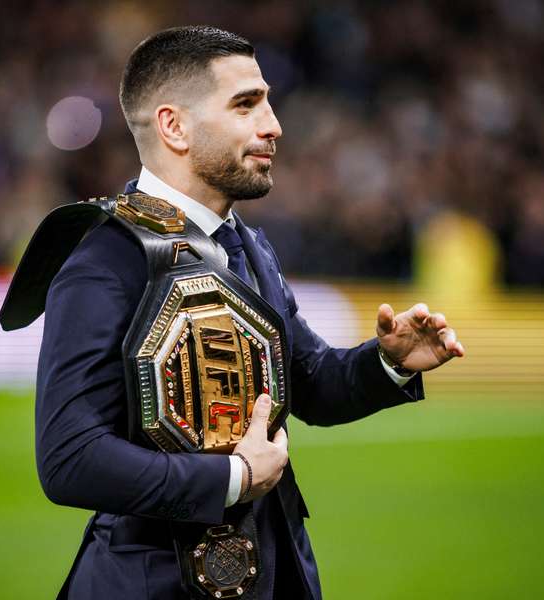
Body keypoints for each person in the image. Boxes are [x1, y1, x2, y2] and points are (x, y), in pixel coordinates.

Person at [33, 26, 464, 600]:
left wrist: (386, 364)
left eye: (267, 100)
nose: (273, 125)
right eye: (245, 104)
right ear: (174, 126)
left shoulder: (247, 244)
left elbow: (309, 383)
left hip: (275, 574)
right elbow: (70, 457)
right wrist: (232, 479)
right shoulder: (105, 259)